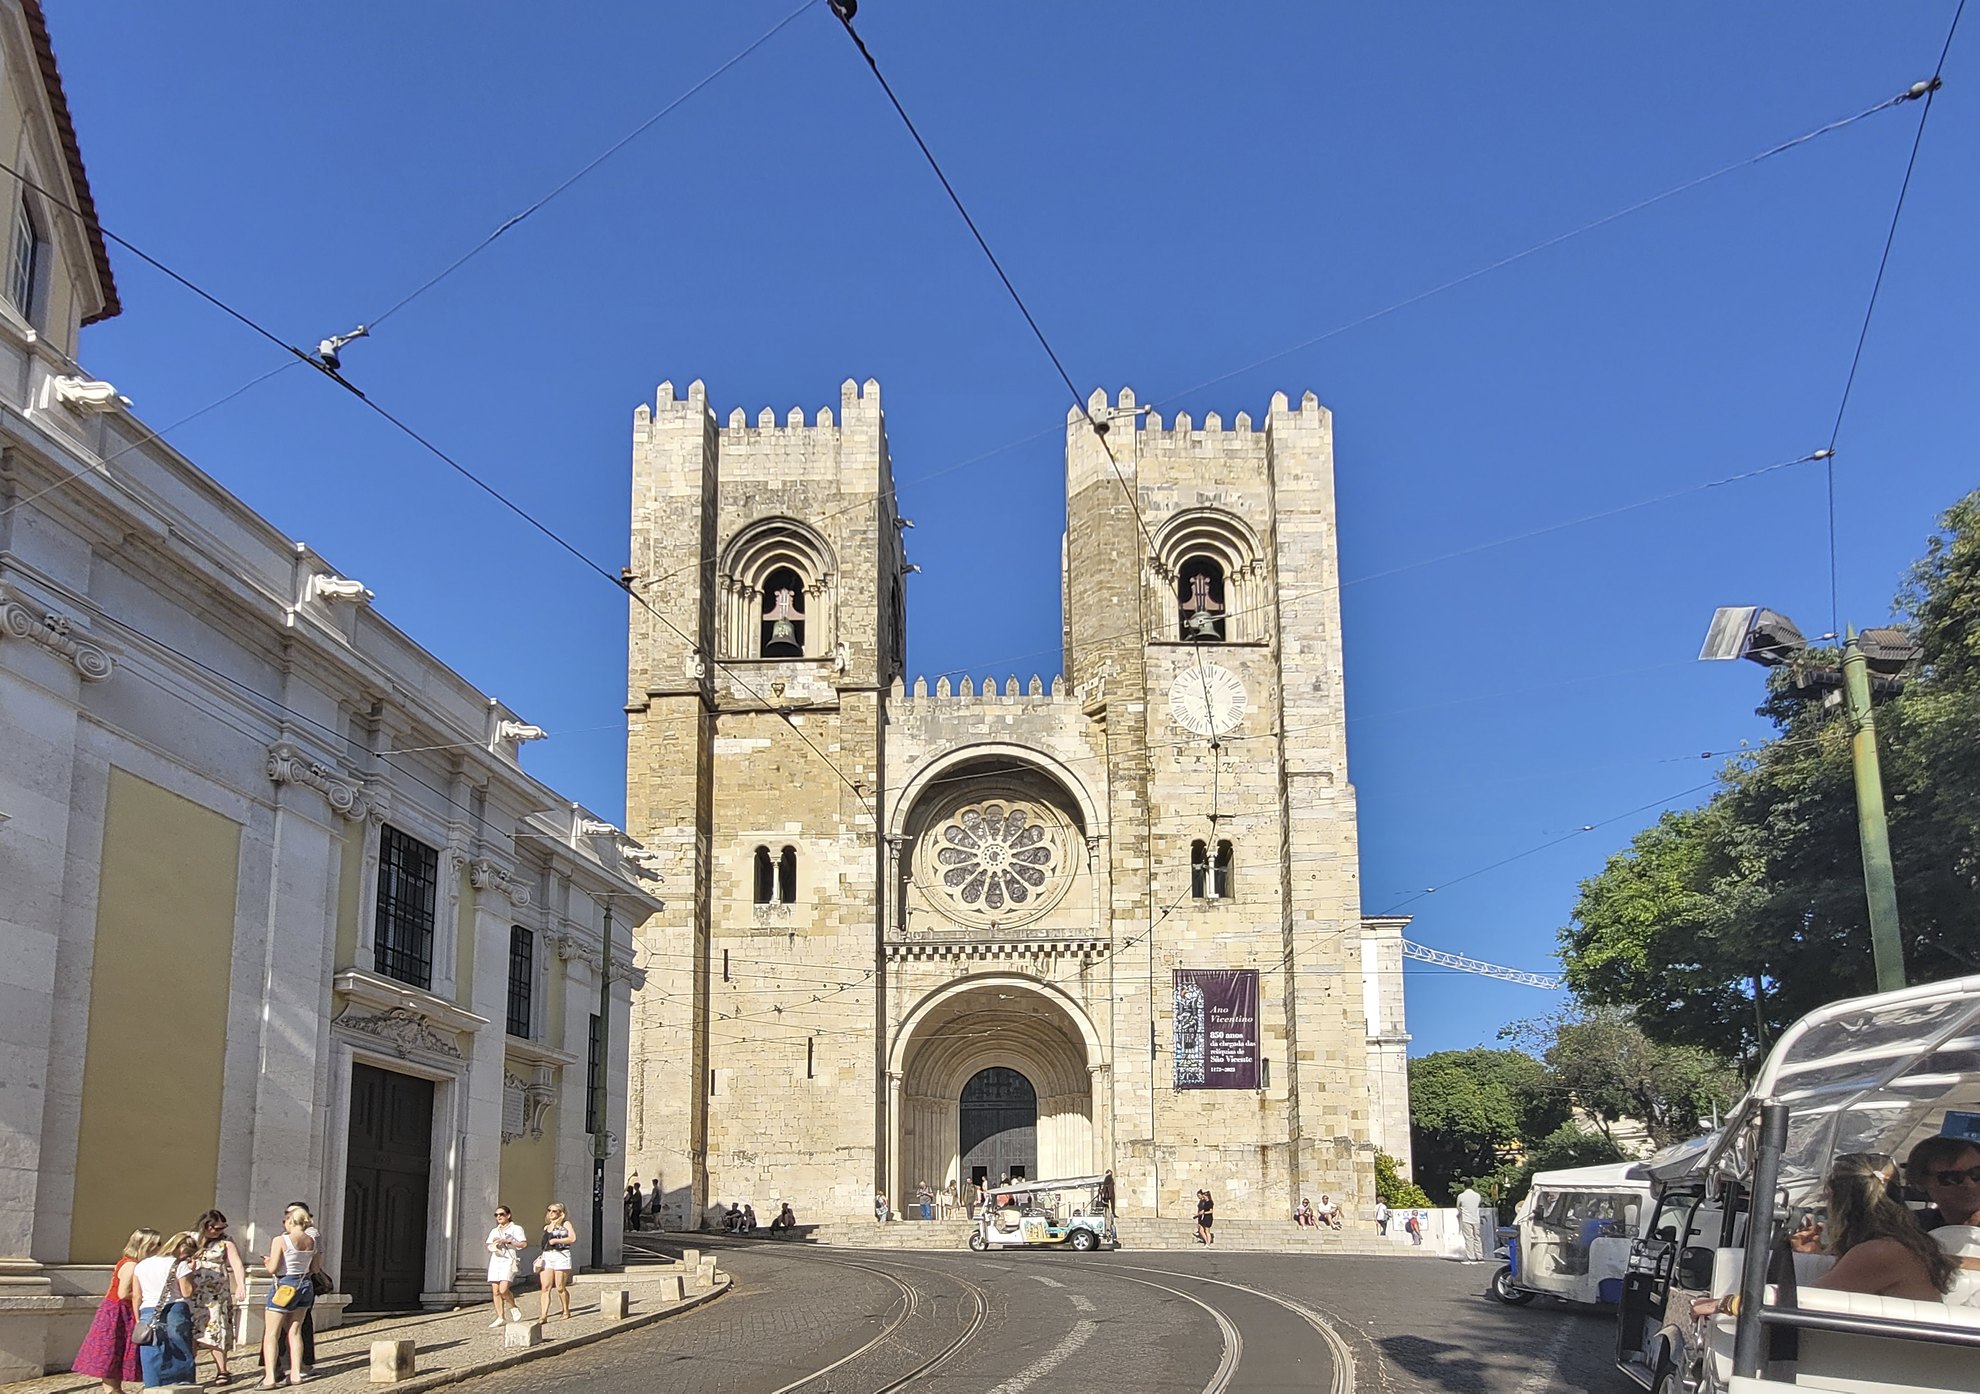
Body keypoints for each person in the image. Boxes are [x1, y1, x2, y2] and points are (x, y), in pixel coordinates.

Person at [1694, 1152, 1957, 1321]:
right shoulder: (1896, 1245)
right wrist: (1815, 1256)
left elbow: (1802, 1303)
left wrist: (1726, 1304)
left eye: (1827, 1197)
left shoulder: (1882, 1251)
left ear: (1841, 1200)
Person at [74, 1228, 161, 1394]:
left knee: (115, 1351)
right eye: (156, 1244)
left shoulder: (129, 1262)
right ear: (146, 1245)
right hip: (118, 1311)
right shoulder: (131, 1265)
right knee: (112, 1350)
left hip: (116, 1309)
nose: (159, 1247)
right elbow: (123, 1293)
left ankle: (113, 1389)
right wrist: (147, 1295)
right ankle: (112, 1390)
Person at [257, 1208, 321, 1388]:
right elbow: (315, 1269)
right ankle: (296, 1374)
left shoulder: (280, 1240)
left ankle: (270, 1378)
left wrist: (267, 1262)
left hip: (285, 1285)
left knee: (272, 1333)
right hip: (305, 1284)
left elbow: (273, 1269)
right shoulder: (312, 1241)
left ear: (290, 1221)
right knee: (295, 1331)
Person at [129, 1230, 199, 1389]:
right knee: (180, 1348)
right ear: (182, 1249)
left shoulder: (142, 1265)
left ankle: (153, 1386)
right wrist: (191, 1273)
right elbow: (187, 1292)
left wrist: (138, 1318)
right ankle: (183, 1385)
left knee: (152, 1351)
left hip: (147, 1310)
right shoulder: (179, 1265)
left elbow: (136, 1295)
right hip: (175, 1308)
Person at [187, 1210, 247, 1385]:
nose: (218, 1231)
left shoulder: (226, 1242)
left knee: (216, 1331)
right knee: (191, 1331)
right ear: (205, 1225)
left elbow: (236, 1264)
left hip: (216, 1295)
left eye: (222, 1227)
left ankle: (222, 1370)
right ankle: (188, 1370)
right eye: (215, 1227)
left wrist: (241, 1285)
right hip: (193, 1293)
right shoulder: (190, 1238)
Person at [1907, 1134, 1980, 1230]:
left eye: (1977, 1173)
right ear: (1921, 1183)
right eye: (1951, 1177)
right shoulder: (1908, 1227)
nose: (1970, 1184)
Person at [485, 1206, 525, 1328]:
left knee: (503, 1289)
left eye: (501, 1214)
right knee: (495, 1290)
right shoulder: (494, 1231)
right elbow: (489, 1245)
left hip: (508, 1260)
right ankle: (500, 1317)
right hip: (496, 1260)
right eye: (496, 1215)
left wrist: (508, 1241)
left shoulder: (516, 1229)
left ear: (508, 1215)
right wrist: (495, 1243)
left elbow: (523, 1244)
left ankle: (513, 1306)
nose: (499, 1217)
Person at [538, 1203, 575, 1322]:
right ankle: (543, 1315)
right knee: (545, 1287)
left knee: (560, 1287)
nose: (551, 1213)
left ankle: (566, 1310)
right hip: (547, 1256)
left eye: (554, 1211)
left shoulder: (565, 1224)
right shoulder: (546, 1227)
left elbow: (572, 1238)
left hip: (561, 1255)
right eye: (549, 1210)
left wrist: (557, 1240)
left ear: (561, 1213)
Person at [1456, 1184, 1484, 1262]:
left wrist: (1461, 1212)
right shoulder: (1477, 1195)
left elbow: (1458, 1206)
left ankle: (1471, 1257)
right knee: (1477, 1238)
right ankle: (1480, 1256)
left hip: (1466, 1219)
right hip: (1476, 1219)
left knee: (1469, 1238)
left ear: (1464, 1186)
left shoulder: (1461, 1196)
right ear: (1472, 1185)